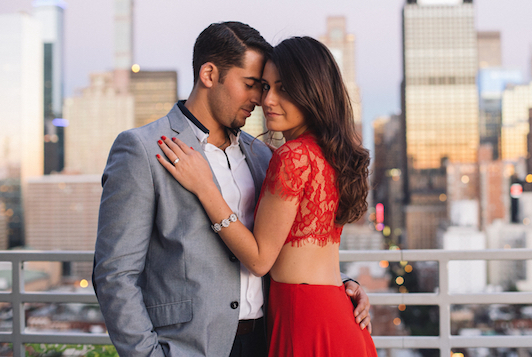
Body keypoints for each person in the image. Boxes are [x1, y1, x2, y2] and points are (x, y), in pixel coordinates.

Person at [93, 23, 371, 357]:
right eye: (253, 85)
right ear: (209, 74)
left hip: (269, 340)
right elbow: (115, 275)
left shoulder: (263, 154)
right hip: (189, 348)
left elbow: (281, 243)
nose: (260, 99)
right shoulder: (142, 149)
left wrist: (341, 284)